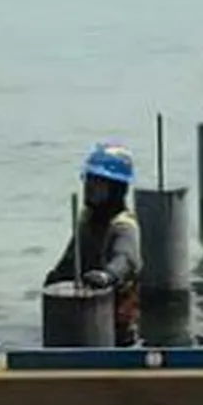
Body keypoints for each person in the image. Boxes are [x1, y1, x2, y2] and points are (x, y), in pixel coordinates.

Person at [44, 141, 142, 346]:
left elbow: (125, 259)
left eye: (97, 183)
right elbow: (73, 256)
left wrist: (108, 276)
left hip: (114, 325)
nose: (89, 188)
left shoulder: (123, 226)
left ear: (116, 188)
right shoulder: (87, 220)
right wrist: (56, 277)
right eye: (88, 180)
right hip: (82, 315)